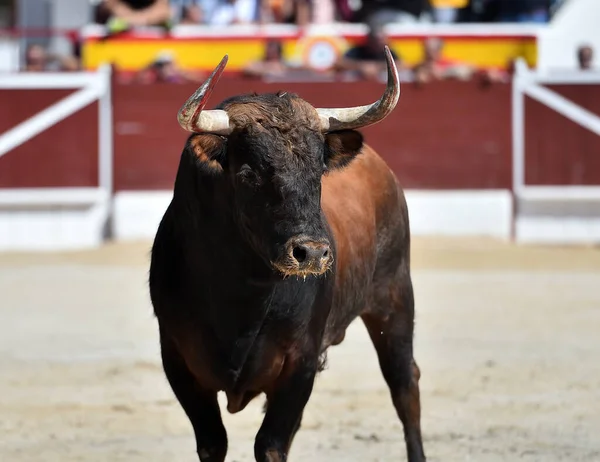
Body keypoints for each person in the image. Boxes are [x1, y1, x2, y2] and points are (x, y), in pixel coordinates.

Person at [334, 25, 404, 81]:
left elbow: (401, 65)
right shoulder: (358, 50)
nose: (379, 44)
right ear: (370, 40)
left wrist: (377, 67)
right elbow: (340, 63)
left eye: (382, 40)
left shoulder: (389, 52)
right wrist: (361, 66)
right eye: (376, 41)